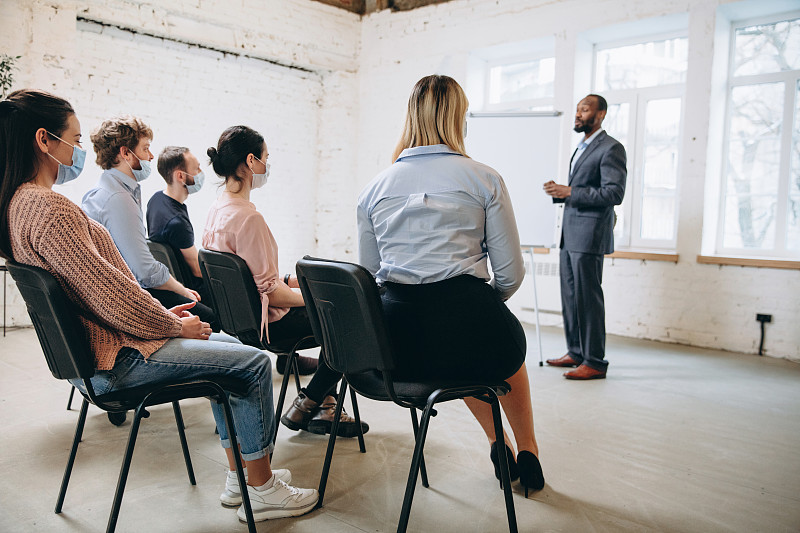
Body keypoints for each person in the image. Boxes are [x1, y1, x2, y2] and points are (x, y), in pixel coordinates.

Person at [0, 89, 318, 522]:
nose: (78, 151)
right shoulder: (49, 210)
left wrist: (166, 318)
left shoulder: (19, 206)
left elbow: (106, 291)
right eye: (73, 140)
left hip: (96, 359)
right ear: (44, 140)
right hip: (118, 360)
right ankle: (260, 489)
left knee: (225, 349)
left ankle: (240, 477)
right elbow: (110, 295)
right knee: (253, 363)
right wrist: (172, 326)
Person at [357, 74, 545, 494]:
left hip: (400, 347)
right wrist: (476, 305)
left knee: (449, 347)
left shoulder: (374, 189)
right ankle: (528, 448)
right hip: (472, 328)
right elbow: (511, 273)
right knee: (486, 345)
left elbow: (368, 278)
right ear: (459, 118)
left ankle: (499, 441)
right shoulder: (484, 179)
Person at [202, 125, 369, 438]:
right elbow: (270, 294)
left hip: (240, 324)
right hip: (271, 325)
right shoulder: (248, 218)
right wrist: (315, 298)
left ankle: (327, 406)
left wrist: (293, 280)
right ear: (251, 161)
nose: (267, 165)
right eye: (266, 158)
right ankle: (313, 399)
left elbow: (249, 279)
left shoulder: (216, 211)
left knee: (333, 318)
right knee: (348, 321)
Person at [81, 116, 220, 332]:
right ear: (125, 153)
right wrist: (182, 289)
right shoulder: (118, 198)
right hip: (125, 305)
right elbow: (145, 271)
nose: (151, 156)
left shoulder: (110, 191)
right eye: (145, 149)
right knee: (213, 321)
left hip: (120, 296)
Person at [543, 94, 627, 380]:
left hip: (590, 235)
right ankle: (576, 352)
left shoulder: (611, 148)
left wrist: (570, 192)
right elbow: (580, 189)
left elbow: (614, 193)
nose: (578, 114)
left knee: (588, 298)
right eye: (577, 109)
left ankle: (594, 361)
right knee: (570, 296)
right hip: (571, 234)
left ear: (601, 114)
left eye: (585, 109)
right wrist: (560, 193)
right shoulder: (582, 147)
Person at [146, 146, 214, 309]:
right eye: (196, 168)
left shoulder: (155, 200)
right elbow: (199, 271)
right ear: (180, 176)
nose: (200, 173)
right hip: (195, 293)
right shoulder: (177, 223)